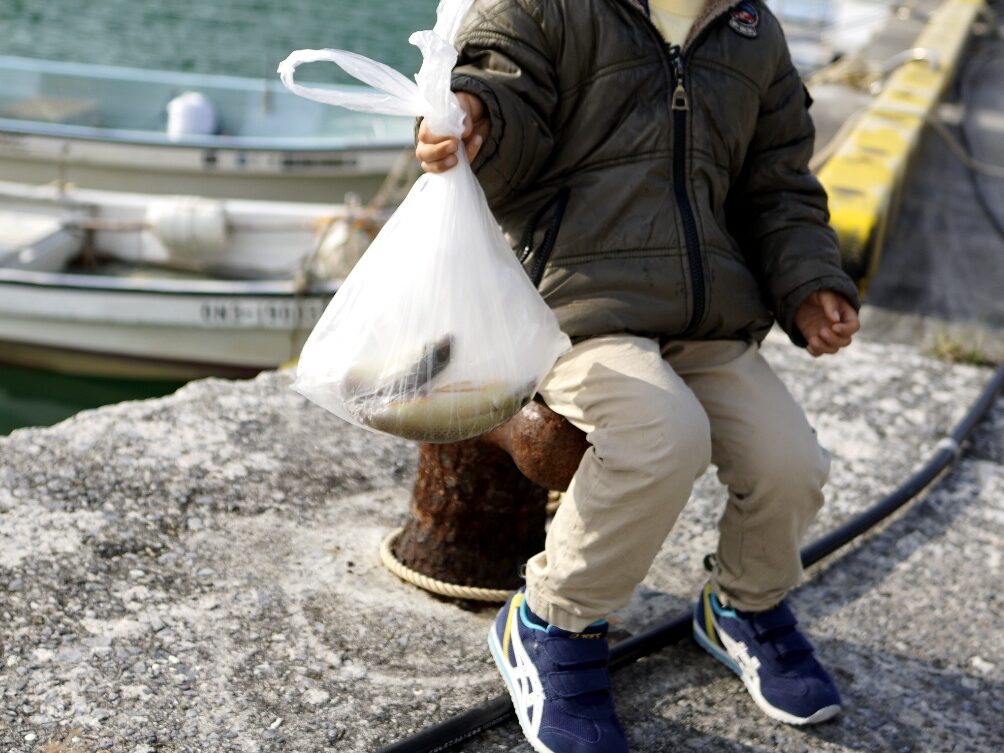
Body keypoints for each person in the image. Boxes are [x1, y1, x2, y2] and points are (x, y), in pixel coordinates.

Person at [416, 1, 861, 751]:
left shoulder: (752, 30)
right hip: (572, 303)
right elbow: (500, 82)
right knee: (663, 433)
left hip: (707, 317)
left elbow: (778, 184)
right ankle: (550, 623)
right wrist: (475, 113)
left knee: (791, 463)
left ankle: (743, 604)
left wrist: (811, 280)